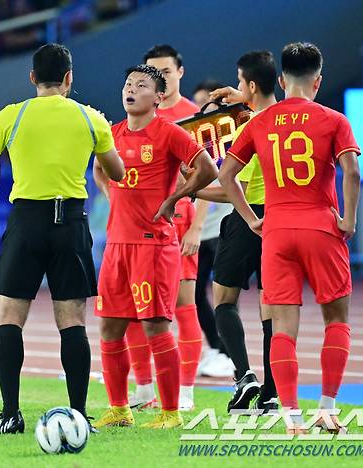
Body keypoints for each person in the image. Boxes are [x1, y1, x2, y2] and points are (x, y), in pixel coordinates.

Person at [0, 43, 125, 434]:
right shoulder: (91, 119)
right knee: (72, 322)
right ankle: (78, 415)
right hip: (69, 221)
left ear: (32, 77)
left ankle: (10, 414)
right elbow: (117, 173)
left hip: (26, 222)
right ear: (70, 78)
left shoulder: (10, 115)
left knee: (11, 318)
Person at [219, 42, 360, 433]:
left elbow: (227, 176)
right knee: (336, 318)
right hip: (321, 227)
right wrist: (348, 220)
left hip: (277, 232)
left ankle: (292, 415)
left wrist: (250, 219)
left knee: (282, 326)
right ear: (317, 81)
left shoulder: (260, 122)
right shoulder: (333, 119)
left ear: (281, 81)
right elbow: (352, 172)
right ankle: (328, 407)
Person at [92, 65, 217, 429]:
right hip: (117, 245)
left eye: (141, 85)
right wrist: (111, 195)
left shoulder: (169, 133)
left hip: (153, 246)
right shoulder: (112, 133)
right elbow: (101, 169)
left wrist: (175, 198)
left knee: (156, 327)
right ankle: (119, 408)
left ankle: (171, 412)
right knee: (110, 327)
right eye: (128, 83)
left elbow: (207, 168)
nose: (130, 89)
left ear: (158, 97)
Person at [197, 51, 280, 413]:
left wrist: (189, 189)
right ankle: (274, 391)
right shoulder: (289, 118)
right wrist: (242, 94)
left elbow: (232, 185)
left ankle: (245, 375)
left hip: (250, 220)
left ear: (250, 84)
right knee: (273, 308)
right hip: (285, 219)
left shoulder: (249, 128)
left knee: (224, 300)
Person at [124, 44, 205, 411]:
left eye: (166, 71)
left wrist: (196, 227)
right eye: (151, 72)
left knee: (184, 306)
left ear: (180, 72)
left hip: (179, 221)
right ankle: (143, 390)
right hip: (136, 226)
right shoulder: (136, 114)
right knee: (133, 311)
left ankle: (185, 392)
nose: (161, 77)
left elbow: (206, 176)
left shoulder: (195, 116)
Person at [189, 79, 235, 378]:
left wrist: (196, 224)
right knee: (195, 293)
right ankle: (219, 349)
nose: (200, 108)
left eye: (205, 101)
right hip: (200, 229)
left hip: (220, 227)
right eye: (197, 102)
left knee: (224, 293)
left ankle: (229, 354)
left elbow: (214, 181)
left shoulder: (226, 135)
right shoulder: (196, 134)